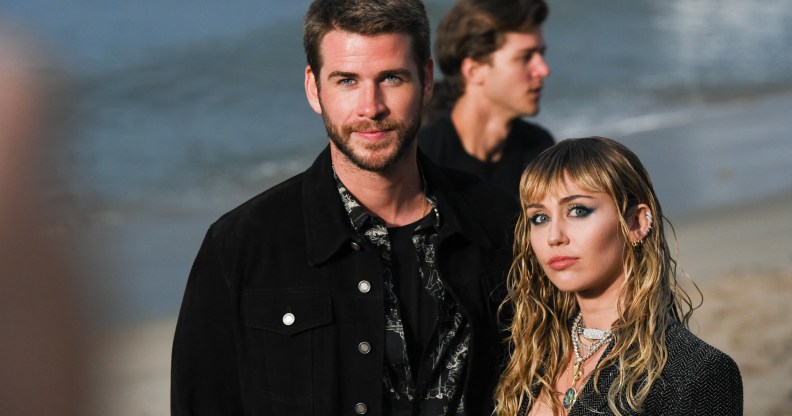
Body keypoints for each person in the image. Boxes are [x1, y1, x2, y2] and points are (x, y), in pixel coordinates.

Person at [170, 0, 518, 414]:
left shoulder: (502, 226)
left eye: (391, 77)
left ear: (426, 81)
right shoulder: (240, 247)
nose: (371, 108)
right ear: (314, 88)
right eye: (347, 81)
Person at [494, 137, 743, 415]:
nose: (554, 236)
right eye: (539, 218)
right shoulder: (528, 359)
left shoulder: (695, 373)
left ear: (636, 222)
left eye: (578, 210)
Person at [418, 0, 554, 199]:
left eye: (541, 54)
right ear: (474, 70)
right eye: (525, 57)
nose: (543, 70)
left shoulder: (539, 149)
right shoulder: (423, 157)